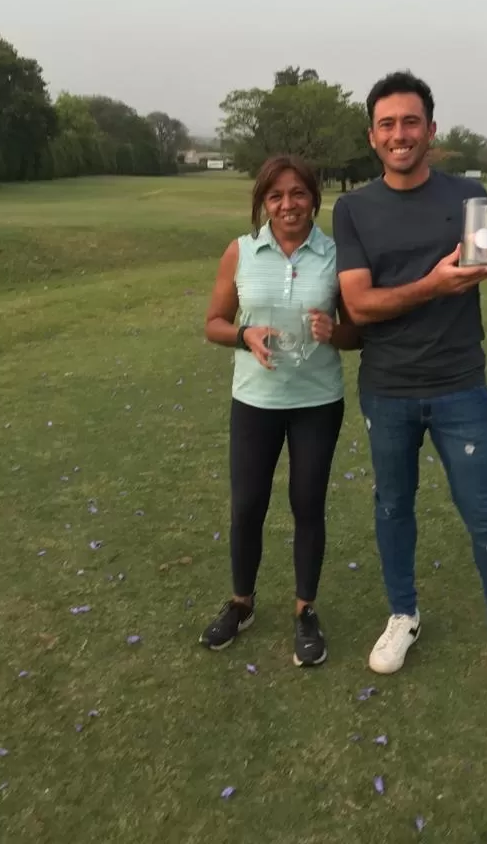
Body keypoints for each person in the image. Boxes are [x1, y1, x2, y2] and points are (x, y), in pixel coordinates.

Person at [332, 72, 487, 704]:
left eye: (410, 122)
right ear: (372, 137)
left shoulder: (469, 196)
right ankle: (403, 614)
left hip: (460, 386)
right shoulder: (353, 209)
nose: (399, 134)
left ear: (431, 129)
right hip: (388, 387)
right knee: (393, 507)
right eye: (387, 124)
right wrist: (432, 285)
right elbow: (359, 305)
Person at [201, 155, 360, 667]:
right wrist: (245, 335)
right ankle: (241, 603)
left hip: (317, 401)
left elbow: (357, 333)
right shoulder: (241, 251)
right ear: (263, 203)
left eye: (298, 194)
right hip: (255, 401)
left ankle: (305, 610)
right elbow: (214, 323)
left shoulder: (336, 254)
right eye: (276, 196)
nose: (288, 205)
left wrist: (334, 331)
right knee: (247, 505)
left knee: (307, 504)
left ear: (314, 198)